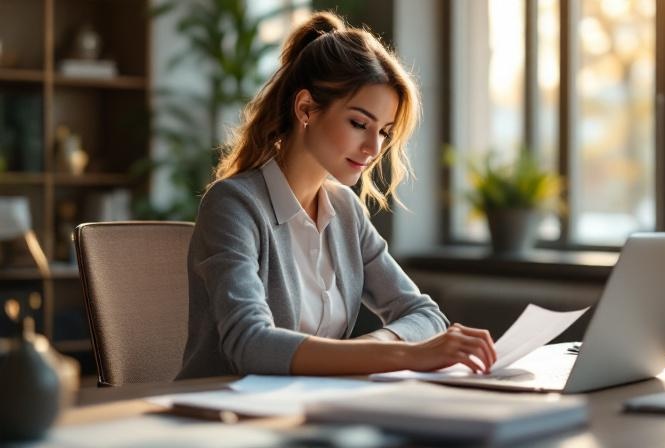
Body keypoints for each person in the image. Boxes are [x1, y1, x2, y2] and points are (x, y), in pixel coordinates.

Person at [177, 12, 496, 379]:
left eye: (384, 132)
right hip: (221, 417)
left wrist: (373, 349)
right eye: (359, 124)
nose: (373, 147)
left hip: (311, 409)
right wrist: (402, 355)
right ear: (306, 109)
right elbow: (250, 344)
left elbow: (426, 316)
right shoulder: (234, 204)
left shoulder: (345, 211)